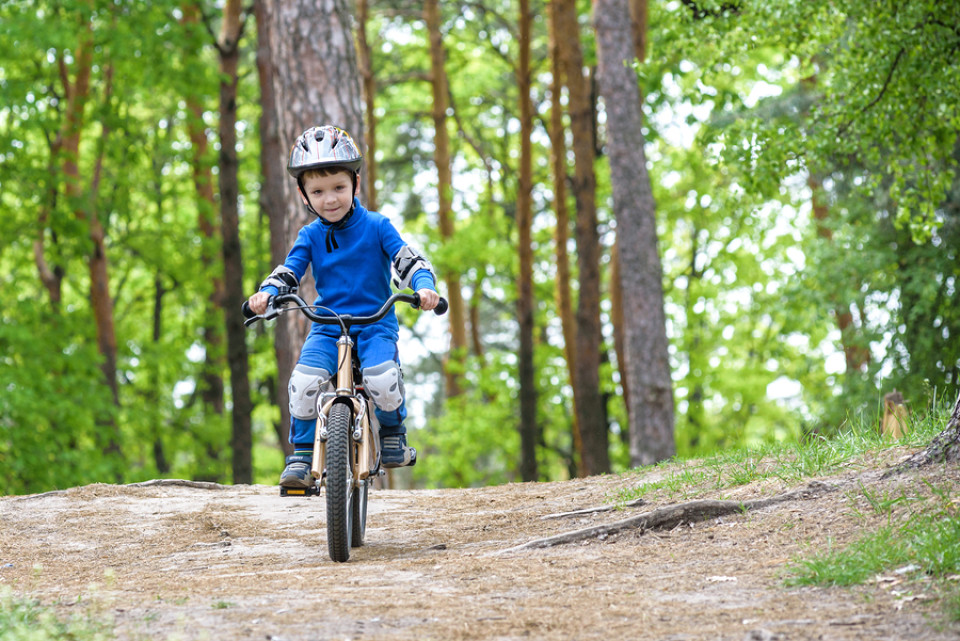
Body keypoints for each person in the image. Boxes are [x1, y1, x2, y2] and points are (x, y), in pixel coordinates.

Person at [246, 125, 440, 489]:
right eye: (318, 191)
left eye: (338, 187)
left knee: (382, 378)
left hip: (375, 323)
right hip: (326, 326)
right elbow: (289, 271)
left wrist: (424, 288)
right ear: (304, 196)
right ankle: (302, 458)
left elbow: (408, 261)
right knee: (303, 385)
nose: (329, 199)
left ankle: (394, 432)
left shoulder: (378, 226)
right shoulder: (310, 236)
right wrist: (267, 293)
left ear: (356, 183)